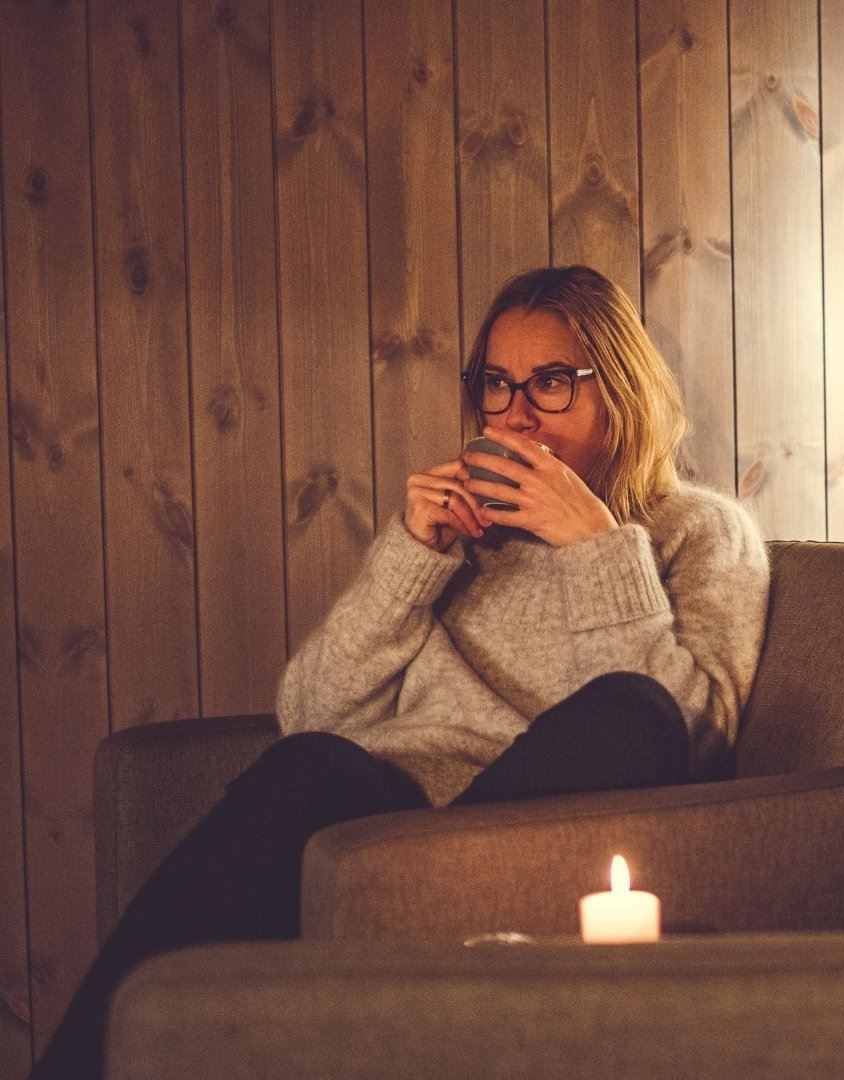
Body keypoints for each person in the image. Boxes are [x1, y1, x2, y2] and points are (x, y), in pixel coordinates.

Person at [31, 265, 771, 1079]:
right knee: (311, 762)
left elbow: (688, 733)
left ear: (620, 394)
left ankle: (418, 894)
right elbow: (308, 712)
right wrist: (411, 555)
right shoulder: (469, 538)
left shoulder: (696, 530)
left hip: (544, 823)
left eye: (552, 382)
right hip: (384, 812)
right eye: (497, 384)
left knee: (632, 708)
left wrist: (597, 546)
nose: (517, 414)